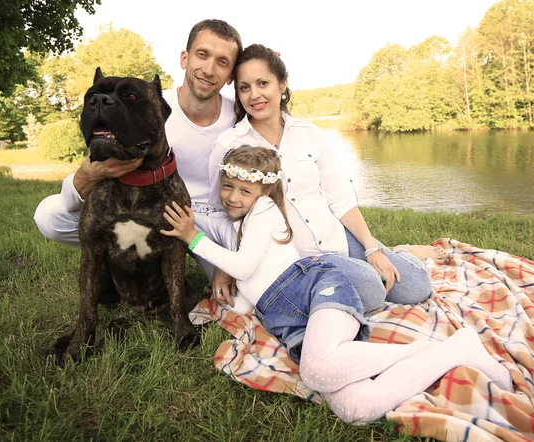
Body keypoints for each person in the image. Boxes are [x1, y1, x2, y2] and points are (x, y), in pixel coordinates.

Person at [161, 145, 512, 424]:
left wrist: (193, 239)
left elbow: (244, 264)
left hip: (314, 286)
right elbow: (247, 284)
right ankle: (452, 352)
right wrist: (220, 305)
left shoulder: (264, 209)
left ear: (265, 191)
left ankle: (446, 348)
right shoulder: (241, 221)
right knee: (355, 409)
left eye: (244, 190)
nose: (233, 197)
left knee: (317, 370)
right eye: (228, 186)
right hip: (289, 321)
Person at [207, 44, 446, 312]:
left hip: (336, 236)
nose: (255, 95)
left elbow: (340, 196)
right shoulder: (229, 144)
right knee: (370, 291)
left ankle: (400, 251)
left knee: (416, 286)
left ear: (282, 84)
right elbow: (219, 212)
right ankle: (370, 267)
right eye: (244, 87)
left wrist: (371, 248)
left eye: (263, 83)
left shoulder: (310, 134)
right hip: (296, 258)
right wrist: (226, 263)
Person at [33, 19, 242, 282]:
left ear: (232, 74)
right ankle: (125, 249)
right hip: (147, 211)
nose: (209, 69)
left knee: (242, 289)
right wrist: (86, 175)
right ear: (184, 58)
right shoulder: (146, 103)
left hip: (207, 223)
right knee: (50, 214)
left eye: (222, 62)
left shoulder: (240, 114)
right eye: (202, 54)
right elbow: (95, 162)